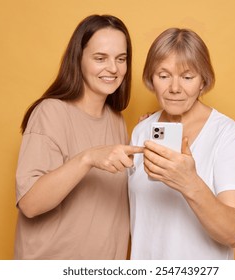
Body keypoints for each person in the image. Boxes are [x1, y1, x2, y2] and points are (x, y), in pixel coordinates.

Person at [14, 14, 143, 259]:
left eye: (121, 59)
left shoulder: (116, 120)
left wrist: (145, 134)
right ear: (79, 58)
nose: (113, 69)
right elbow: (30, 204)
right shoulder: (51, 112)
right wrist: (88, 158)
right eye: (100, 58)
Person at [128, 28, 235, 259]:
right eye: (163, 76)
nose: (175, 88)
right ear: (151, 79)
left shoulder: (227, 135)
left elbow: (234, 233)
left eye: (187, 77)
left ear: (203, 81)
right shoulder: (141, 132)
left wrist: (189, 183)